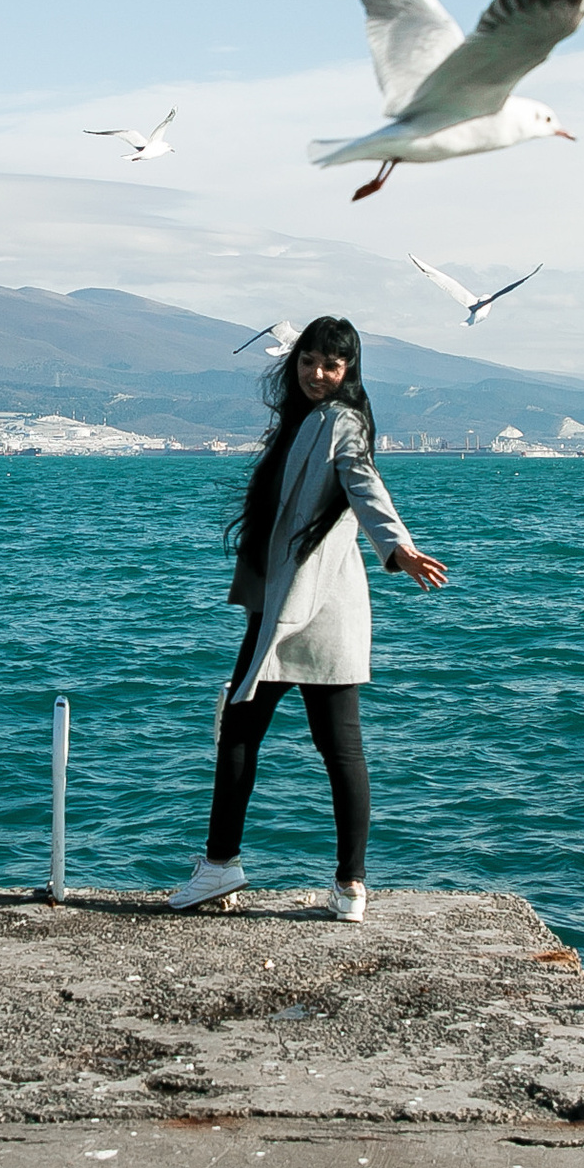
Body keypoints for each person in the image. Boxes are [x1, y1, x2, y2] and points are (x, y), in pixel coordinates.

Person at [168, 315, 447, 923]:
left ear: (349, 371)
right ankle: (349, 888)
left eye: (331, 364)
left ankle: (222, 866)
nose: (317, 374)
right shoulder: (307, 420)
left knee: (251, 733)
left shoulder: (341, 422)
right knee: (334, 747)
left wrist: (396, 545)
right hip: (316, 606)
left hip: (304, 608)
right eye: (308, 362)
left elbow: (364, 483)